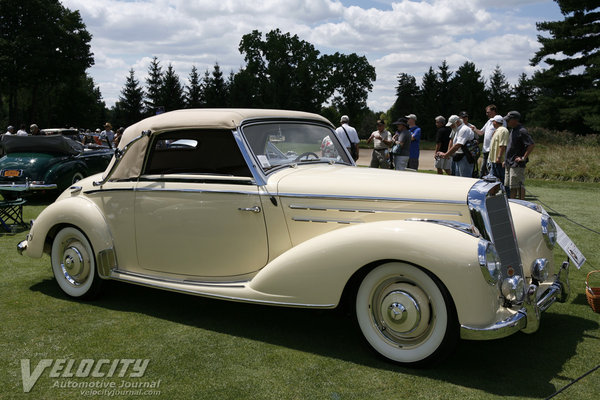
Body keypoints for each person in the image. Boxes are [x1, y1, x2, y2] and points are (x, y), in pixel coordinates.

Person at [504, 111, 534, 200]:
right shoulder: (513, 130)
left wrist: (523, 158)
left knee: (518, 185)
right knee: (511, 186)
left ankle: (522, 203)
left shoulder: (522, 131)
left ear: (514, 120)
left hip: (516, 164)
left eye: (509, 120)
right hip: (509, 163)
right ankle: (513, 203)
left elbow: (531, 144)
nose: (507, 122)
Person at [474, 105, 505, 177]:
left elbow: (501, 133)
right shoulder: (489, 121)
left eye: (488, 112)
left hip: (493, 150)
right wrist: (474, 129)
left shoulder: (501, 121)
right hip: (485, 150)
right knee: (482, 170)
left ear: (494, 111)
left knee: (491, 171)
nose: (486, 114)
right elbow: (481, 132)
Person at [487, 115, 509, 182]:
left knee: (503, 179)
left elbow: (503, 145)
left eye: (493, 121)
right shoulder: (497, 130)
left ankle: (507, 192)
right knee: (495, 179)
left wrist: (499, 157)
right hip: (494, 160)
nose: (492, 123)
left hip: (499, 161)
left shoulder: (503, 130)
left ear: (496, 122)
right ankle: (499, 191)